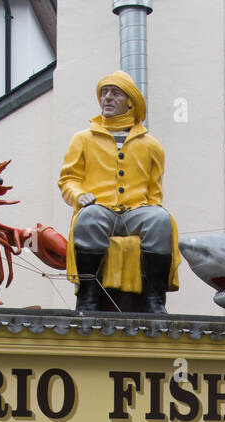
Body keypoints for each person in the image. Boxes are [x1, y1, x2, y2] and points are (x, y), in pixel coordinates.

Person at [58, 71, 178, 314]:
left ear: (130, 101)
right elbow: (68, 179)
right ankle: (88, 295)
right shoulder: (82, 139)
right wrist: (79, 195)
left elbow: (155, 191)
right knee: (89, 218)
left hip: (136, 211)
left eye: (115, 93)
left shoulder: (151, 145)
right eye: (104, 93)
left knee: (160, 220)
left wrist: (153, 208)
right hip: (100, 208)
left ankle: (154, 297)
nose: (107, 98)